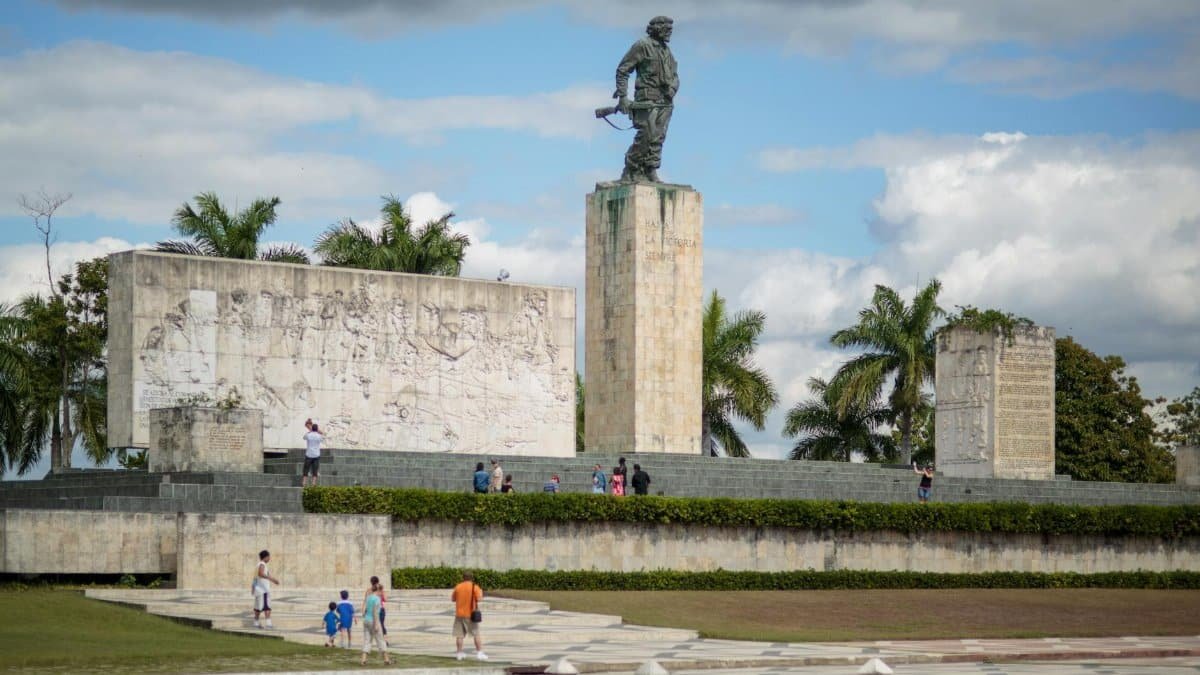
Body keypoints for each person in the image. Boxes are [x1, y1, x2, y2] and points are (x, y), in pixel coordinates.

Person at [612, 16, 678, 183]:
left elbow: (675, 76)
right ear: (656, 27)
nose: (670, 31)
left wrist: (672, 88)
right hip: (646, 100)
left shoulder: (667, 52)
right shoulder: (642, 45)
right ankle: (631, 167)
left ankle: (650, 169)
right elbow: (623, 70)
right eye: (666, 28)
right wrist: (623, 97)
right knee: (647, 134)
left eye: (671, 28)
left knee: (659, 137)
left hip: (665, 101)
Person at [451, 571, 487, 661]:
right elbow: (479, 599)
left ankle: (459, 653)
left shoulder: (458, 586)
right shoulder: (475, 587)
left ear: (463, 577)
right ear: (472, 578)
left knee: (459, 635)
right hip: (470, 614)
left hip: (459, 614)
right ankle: (479, 652)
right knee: (476, 634)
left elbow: (453, 599)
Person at [360, 580, 391, 666]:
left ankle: (363, 659)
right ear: (379, 590)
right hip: (373, 621)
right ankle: (386, 659)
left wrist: (364, 615)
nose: (382, 593)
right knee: (380, 640)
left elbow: (364, 608)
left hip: (366, 620)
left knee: (367, 640)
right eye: (382, 591)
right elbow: (375, 612)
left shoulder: (369, 597)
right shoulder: (377, 599)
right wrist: (377, 624)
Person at [252, 549, 279, 629]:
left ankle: (256, 623)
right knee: (267, 607)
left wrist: (253, 587)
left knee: (257, 608)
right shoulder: (262, 564)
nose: (269, 558)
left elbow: (255, 578)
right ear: (266, 557)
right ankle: (268, 624)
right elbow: (261, 574)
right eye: (269, 556)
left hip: (258, 590)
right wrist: (272, 579)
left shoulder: (258, 565)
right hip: (263, 590)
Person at [302, 421, 324, 488]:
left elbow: (304, 437)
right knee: (315, 469)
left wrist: (309, 431)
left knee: (306, 469)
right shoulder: (319, 436)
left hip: (309, 454)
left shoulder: (308, 435)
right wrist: (318, 432)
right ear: (317, 429)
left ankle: (304, 482)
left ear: (312, 428)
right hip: (316, 455)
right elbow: (322, 438)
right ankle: (313, 483)